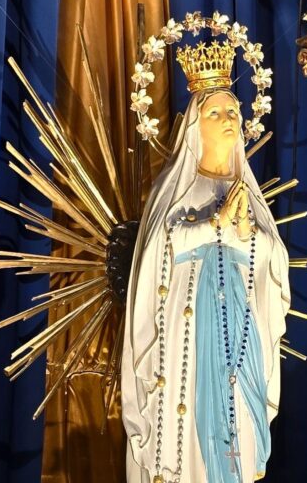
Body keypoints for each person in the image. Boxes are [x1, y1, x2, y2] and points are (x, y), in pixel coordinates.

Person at [121, 73, 290, 483]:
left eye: (233, 110)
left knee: (240, 419)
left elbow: (273, 261)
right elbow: (159, 249)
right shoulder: (175, 187)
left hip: (240, 335)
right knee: (191, 429)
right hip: (189, 335)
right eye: (215, 112)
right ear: (196, 126)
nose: (229, 117)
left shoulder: (247, 192)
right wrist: (216, 224)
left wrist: (248, 234)